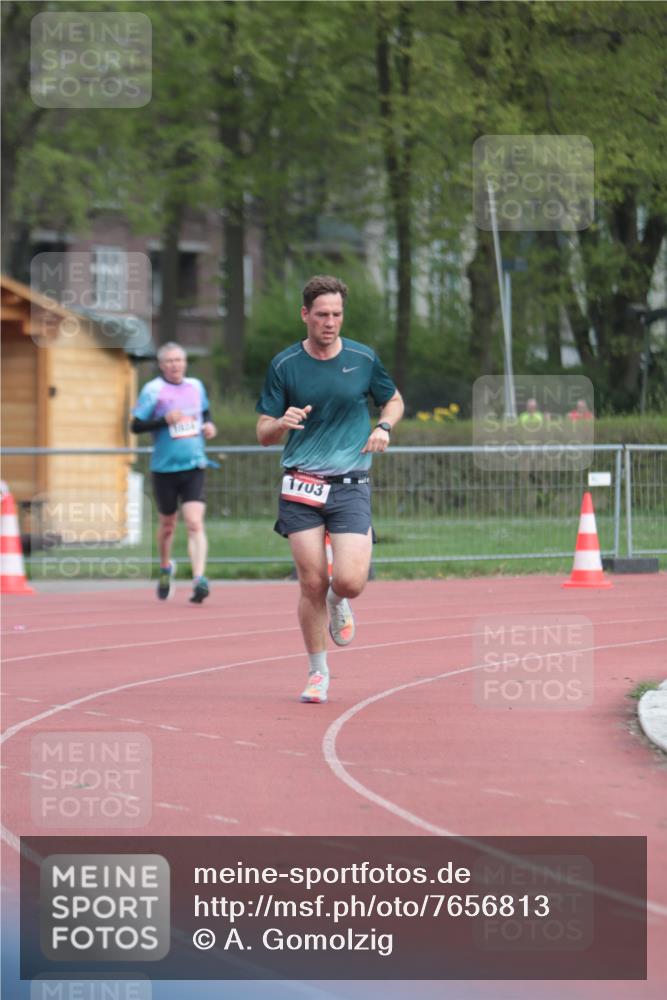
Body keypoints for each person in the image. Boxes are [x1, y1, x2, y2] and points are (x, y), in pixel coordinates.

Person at [256, 275, 404, 704]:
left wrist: (384, 426)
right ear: (305, 315)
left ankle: (341, 602)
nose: (330, 322)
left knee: (351, 581)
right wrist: (280, 424)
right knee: (311, 582)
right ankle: (317, 672)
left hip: (350, 485)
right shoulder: (285, 366)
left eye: (337, 314)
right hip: (301, 484)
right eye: (322, 314)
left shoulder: (362, 359)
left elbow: (393, 399)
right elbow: (263, 432)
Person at [131, 342, 217, 603]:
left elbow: (204, 411)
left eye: (179, 360)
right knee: (168, 525)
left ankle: (199, 578)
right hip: (164, 468)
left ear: (185, 362)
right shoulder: (153, 390)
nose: (175, 365)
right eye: (169, 361)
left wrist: (209, 425)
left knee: (194, 522)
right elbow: (136, 425)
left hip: (194, 465)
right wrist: (164, 420)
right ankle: (166, 566)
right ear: (161, 365)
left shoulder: (196, 386)